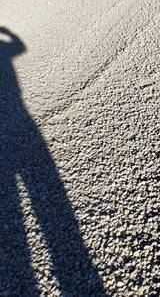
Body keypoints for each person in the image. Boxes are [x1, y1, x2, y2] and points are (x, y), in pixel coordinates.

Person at [0, 27, 106, 296]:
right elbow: (19, 47)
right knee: (42, 196)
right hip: (21, 112)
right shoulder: (8, 52)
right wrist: (5, 32)